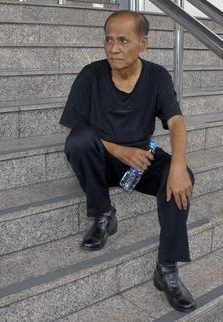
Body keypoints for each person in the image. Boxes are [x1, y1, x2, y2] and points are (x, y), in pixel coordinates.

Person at [59, 10, 196, 313]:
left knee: (183, 176)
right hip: (102, 161)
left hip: (141, 163)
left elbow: (175, 122)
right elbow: (73, 129)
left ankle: (167, 268)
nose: (113, 48)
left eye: (123, 40)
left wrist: (176, 166)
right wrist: (119, 150)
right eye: (108, 40)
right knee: (78, 142)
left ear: (143, 44)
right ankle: (104, 214)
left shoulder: (157, 76)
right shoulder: (90, 75)